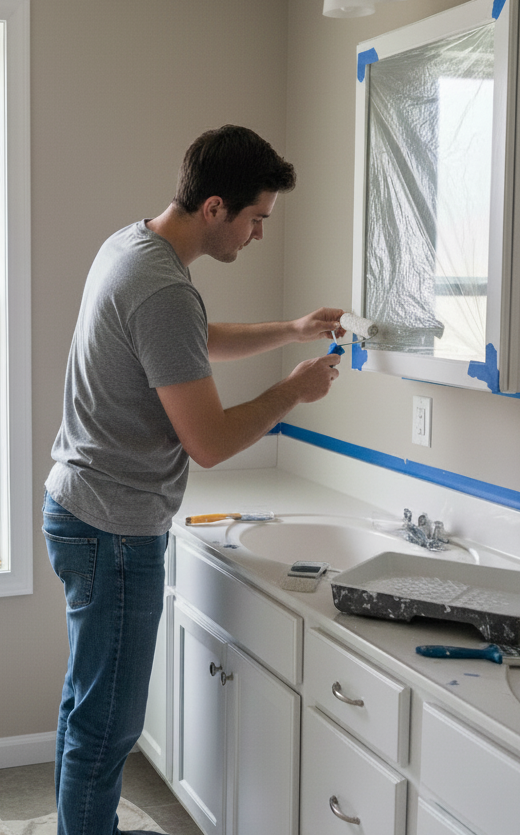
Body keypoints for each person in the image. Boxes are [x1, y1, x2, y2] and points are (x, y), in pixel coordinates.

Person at [43, 124, 345, 835]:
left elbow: (189, 341)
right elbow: (207, 443)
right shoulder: (162, 288)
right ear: (215, 208)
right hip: (115, 529)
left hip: (82, 507)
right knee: (107, 727)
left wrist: (292, 328)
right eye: (255, 218)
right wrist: (293, 392)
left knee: (87, 708)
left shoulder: (132, 246)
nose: (259, 234)